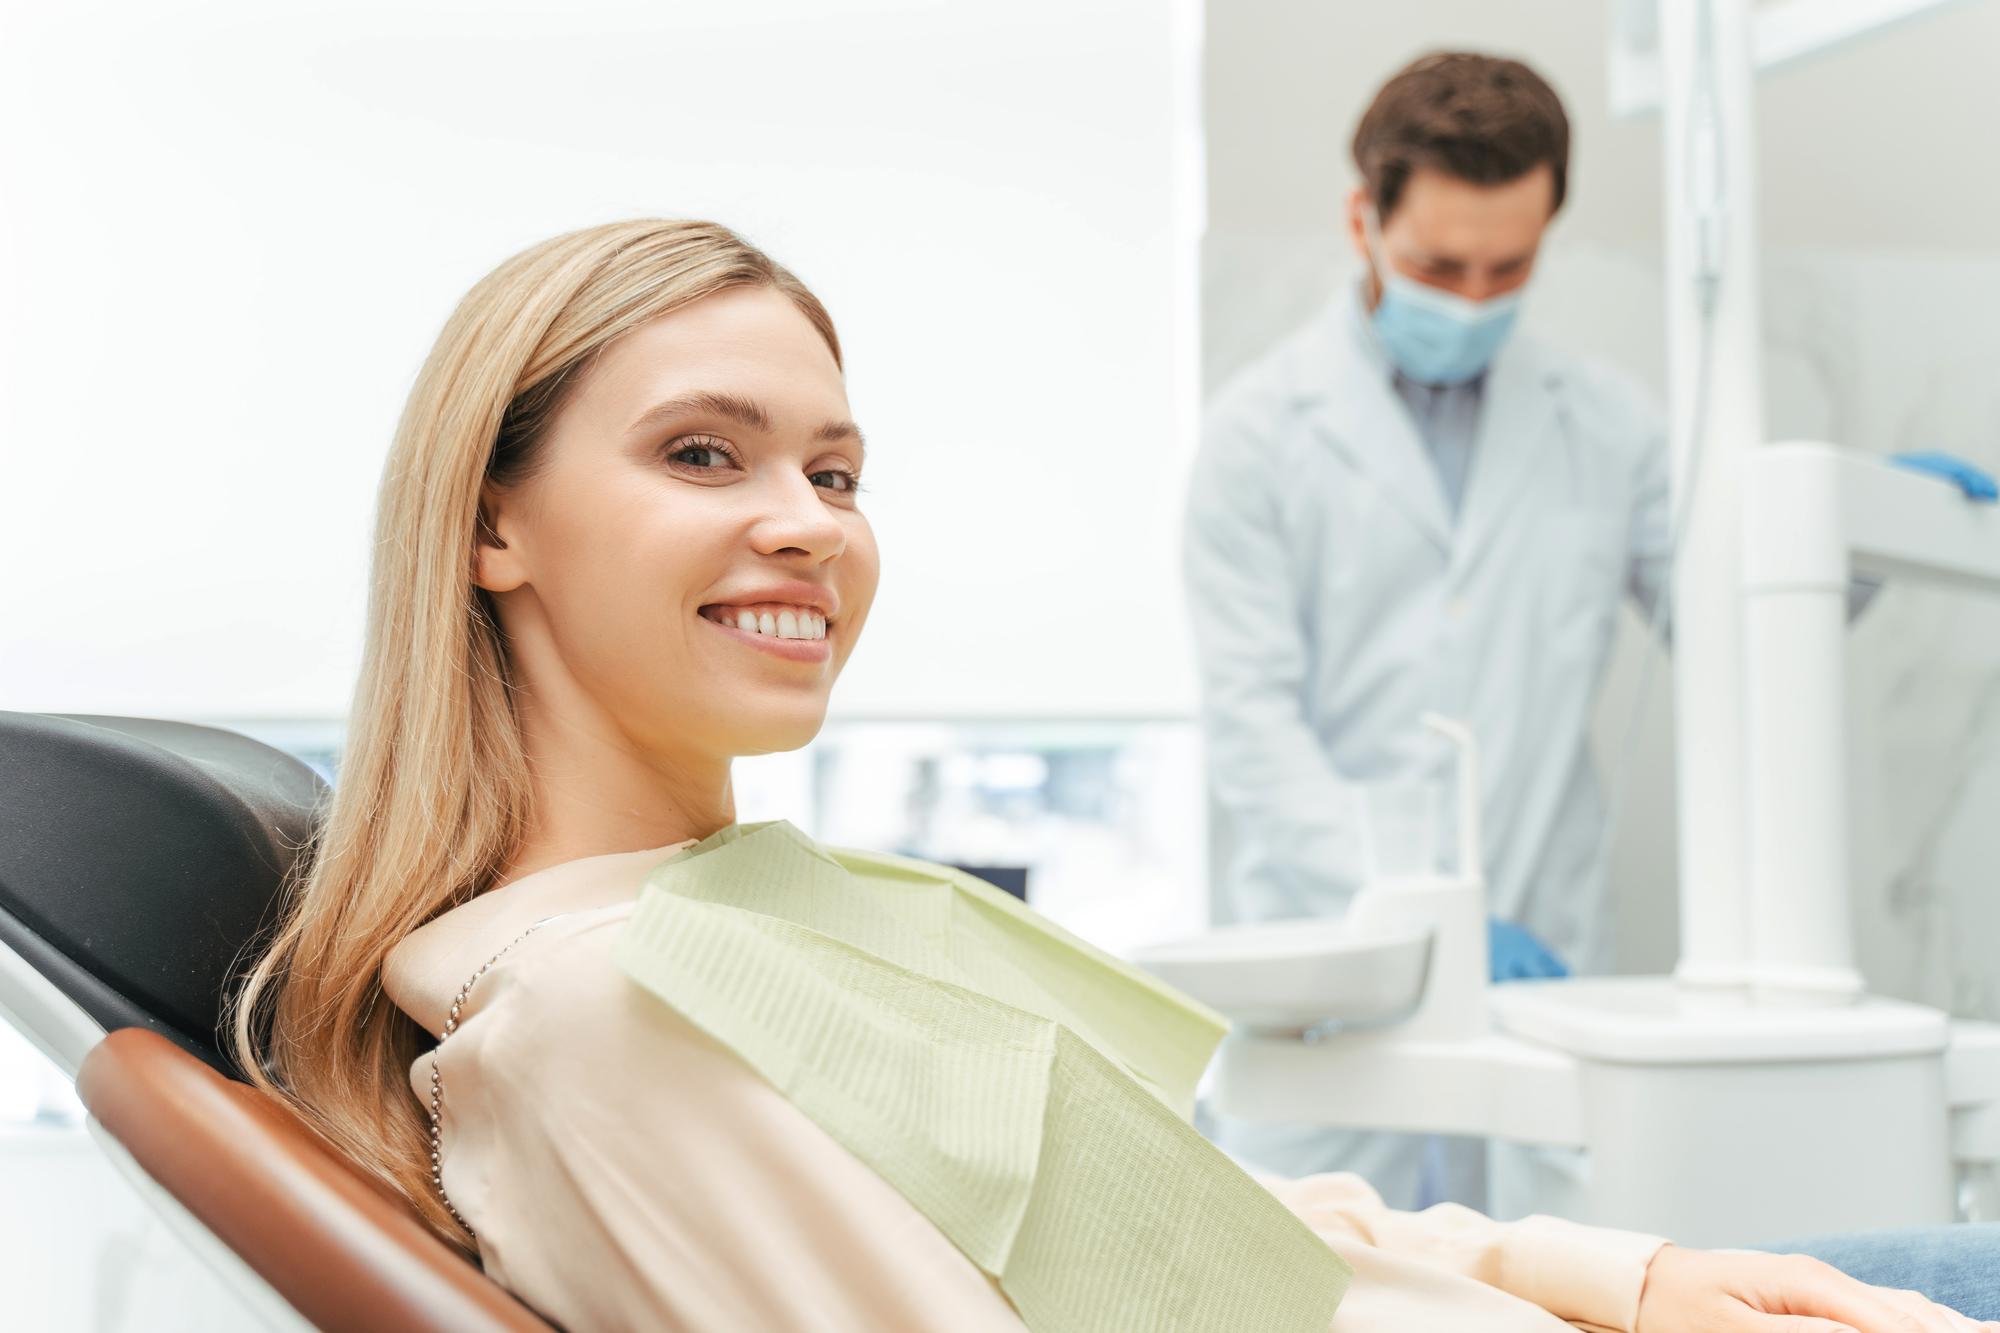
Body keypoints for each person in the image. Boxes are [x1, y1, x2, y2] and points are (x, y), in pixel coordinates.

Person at [227, 219, 2000, 1331]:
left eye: (839, 474)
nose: (808, 525)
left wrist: (1621, 1273)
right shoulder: (612, 1017)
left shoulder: (725, 917)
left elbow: (1172, 1232)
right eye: (705, 452)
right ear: (490, 523)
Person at [1185, 51, 1665, 1208]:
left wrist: (1815, 519)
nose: (1469, 299)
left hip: (1538, 970)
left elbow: (1730, 616)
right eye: (1437, 265)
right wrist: (1417, 902)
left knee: (1551, 1285)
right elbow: (1251, 728)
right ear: (1364, 219)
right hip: (1330, 978)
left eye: (1507, 269)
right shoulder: (1258, 435)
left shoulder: (1604, 426)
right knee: (1325, 1281)